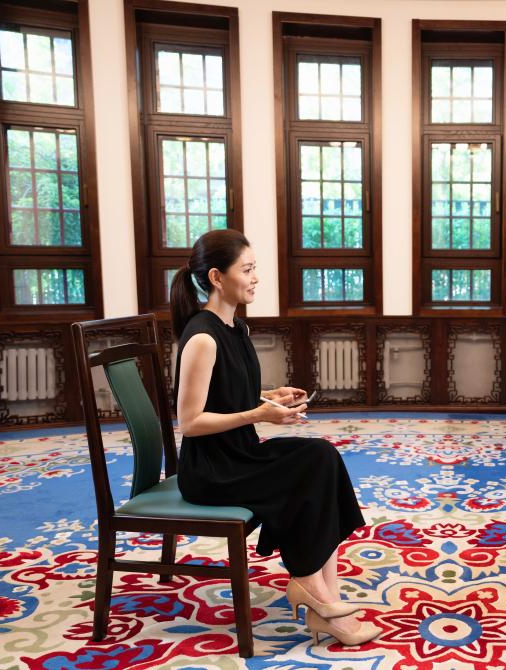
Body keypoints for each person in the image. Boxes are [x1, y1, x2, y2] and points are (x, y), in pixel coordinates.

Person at [170, 229, 380, 646]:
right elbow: (189, 422)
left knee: (321, 457)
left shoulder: (236, 329)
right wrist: (258, 414)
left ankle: (326, 599)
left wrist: (270, 396)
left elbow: (226, 394)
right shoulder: (203, 337)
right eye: (247, 270)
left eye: (254, 269)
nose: (255, 278)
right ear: (217, 277)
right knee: (308, 468)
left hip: (239, 454)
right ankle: (318, 596)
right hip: (212, 471)